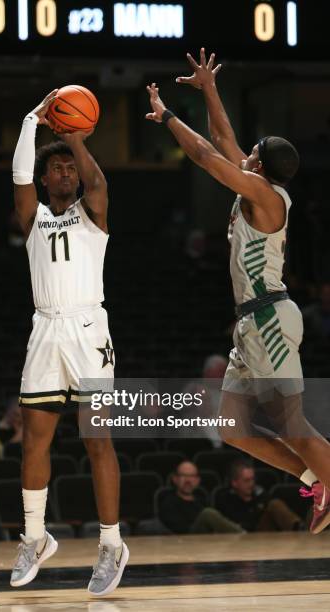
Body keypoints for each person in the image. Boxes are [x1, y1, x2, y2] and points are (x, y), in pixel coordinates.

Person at [145, 48, 330, 535]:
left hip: (269, 317)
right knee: (232, 428)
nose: (242, 153)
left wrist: (167, 117)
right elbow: (224, 139)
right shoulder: (257, 184)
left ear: (260, 167)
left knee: (292, 423)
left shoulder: (265, 197)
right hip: (250, 321)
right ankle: (316, 476)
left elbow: (207, 154)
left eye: (251, 155)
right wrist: (208, 88)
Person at [11, 90, 128, 595]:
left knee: (96, 440)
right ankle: (35, 537)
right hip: (45, 330)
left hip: (87, 331)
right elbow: (18, 178)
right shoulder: (34, 218)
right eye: (55, 168)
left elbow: (98, 180)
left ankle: (111, 544)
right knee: (34, 437)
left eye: (68, 167)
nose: (63, 174)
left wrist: (77, 140)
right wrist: (30, 121)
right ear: (44, 178)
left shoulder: (92, 212)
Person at [216, 459, 303, 532]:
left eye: (252, 479)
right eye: (246, 480)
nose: (251, 483)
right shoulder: (226, 499)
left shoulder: (260, 494)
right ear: (234, 483)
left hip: (263, 533)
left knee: (275, 504)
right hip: (240, 537)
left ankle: (299, 529)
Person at [158, 461, 242, 534]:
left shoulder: (202, 501)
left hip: (207, 542)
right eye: (183, 475)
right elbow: (178, 531)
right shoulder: (168, 502)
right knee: (208, 513)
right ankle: (243, 534)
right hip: (184, 542)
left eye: (192, 476)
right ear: (175, 479)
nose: (188, 480)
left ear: (197, 480)